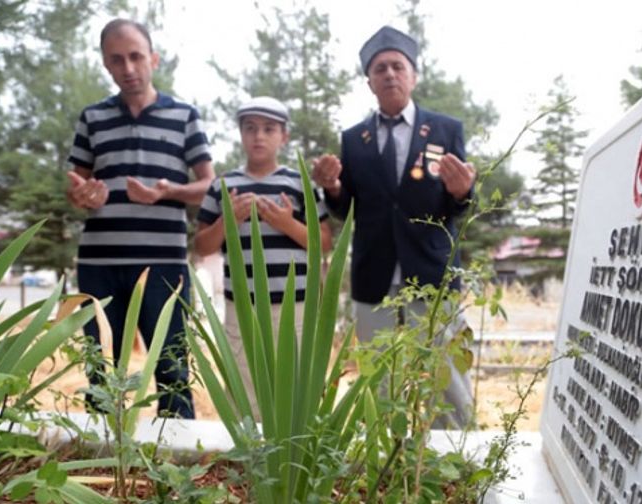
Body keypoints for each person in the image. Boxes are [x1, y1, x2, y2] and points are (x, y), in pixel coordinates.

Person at [312, 26, 476, 427]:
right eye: (380, 68)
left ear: (413, 75)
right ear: (369, 81)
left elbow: (461, 203)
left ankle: (454, 461)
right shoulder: (354, 139)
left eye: (398, 66)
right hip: (375, 275)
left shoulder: (445, 129)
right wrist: (332, 187)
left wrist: (462, 192)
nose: (389, 74)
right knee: (378, 379)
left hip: (433, 273)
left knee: (447, 377)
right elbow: (348, 207)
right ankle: (383, 463)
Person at [66, 19, 214, 418]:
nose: (128, 68)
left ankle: (179, 470)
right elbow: (76, 185)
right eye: (117, 60)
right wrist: (83, 194)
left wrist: (168, 192)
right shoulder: (92, 118)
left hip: (163, 263)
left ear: (153, 59)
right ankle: (97, 466)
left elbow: (208, 186)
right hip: (99, 264)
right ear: (106, 65)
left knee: (171, 368)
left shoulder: (185, 116)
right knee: (101, 370)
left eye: (135, 57)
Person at [195, 97, 332, 409]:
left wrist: (286, 223)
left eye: (269, 129)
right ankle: (251, 455)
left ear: (283, 136)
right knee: (245, 389)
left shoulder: (299, 183)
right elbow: (202, 246)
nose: (259, 136)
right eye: (250, 128)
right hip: (242, 307)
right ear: (241, 134)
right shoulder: (223, 185)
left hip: (295, 306)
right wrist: (228, 220)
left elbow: (324, 243)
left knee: (297, 386)